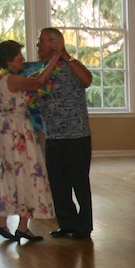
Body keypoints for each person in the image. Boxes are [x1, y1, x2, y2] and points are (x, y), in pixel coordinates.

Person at [0, 40, 62, 241]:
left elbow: (32, 80)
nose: (22, 59)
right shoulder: (12, 79)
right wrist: (56, 58)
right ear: (8, 61)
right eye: (18, 56)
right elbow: (38, 83)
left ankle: (4, 222)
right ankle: (21, 226)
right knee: (28, 173)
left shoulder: (1, 79)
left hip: (6, 129)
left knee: (13, 175)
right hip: (17, 131)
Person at [36, 28, 95, 239]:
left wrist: (66, 56)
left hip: (76, 135)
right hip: (53, 135)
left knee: (79, 181)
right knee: (58, 183)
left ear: (54, 43)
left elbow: (87, 80)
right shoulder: (44, 68)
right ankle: (67, 223)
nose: (38, 46)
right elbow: (36, 85)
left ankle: (84, 225)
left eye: (41, 41)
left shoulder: (72, 65)